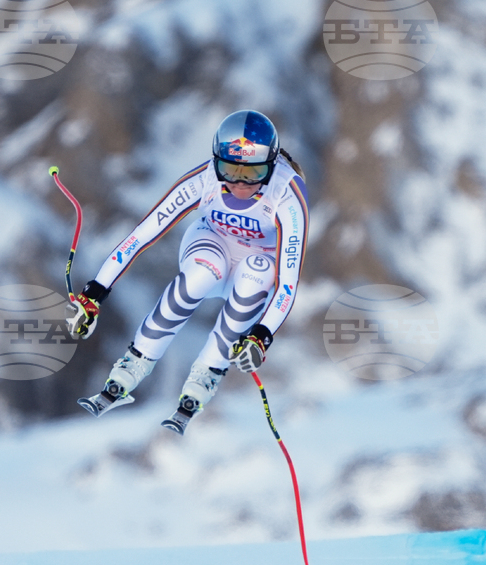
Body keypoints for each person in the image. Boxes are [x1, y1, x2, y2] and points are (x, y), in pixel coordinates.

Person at [67, 110, 309, 434]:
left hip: (259, 259)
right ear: (216, 160)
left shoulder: (287, 194)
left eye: (252, 175)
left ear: (272, 165)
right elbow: (143, 234)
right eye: (229, 170)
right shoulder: (206, 178)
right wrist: (94, 292)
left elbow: (288, 282)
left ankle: (205, 375)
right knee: (201, 276)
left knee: (258, 274)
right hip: (211, 244)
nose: (238, 183)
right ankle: (134, 363)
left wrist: (260, 337)